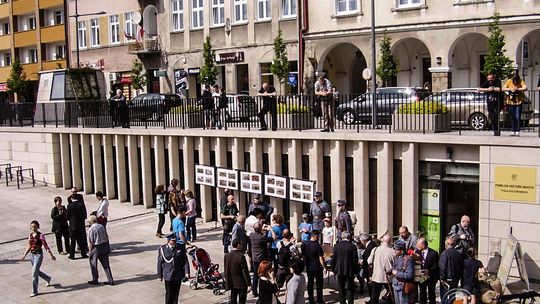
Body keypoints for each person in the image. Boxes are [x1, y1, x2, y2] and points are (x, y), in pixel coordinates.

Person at [22, 220, 55, 297]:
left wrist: (51, 255)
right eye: (32, 227)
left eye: (35, 227)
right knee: (36, 271)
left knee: (34, 273)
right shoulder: (30, 236)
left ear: (38, 227)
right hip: (32, 255)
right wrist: (24, 255)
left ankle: (35, 291)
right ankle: (47, 278)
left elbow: (45, 245)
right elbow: (29, 246)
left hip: (38, 255)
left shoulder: (41, 235)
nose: (33, 228)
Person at [157, 233, 186, 304]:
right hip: (168, 275)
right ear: (169, 241)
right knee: (169, 293)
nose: (175, 242)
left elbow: (184, 260)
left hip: (177, 274)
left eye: (175, 240)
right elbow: (160, 263)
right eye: (173, 241)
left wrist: (187, 272)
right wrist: (160, 275)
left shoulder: (180, 247)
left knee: (176, 293)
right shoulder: (163, 249)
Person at [331, 231, 358, 304]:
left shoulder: (337, 246)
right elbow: (355, 260)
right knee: (350, 288)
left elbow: (334, 258)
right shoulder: (352, 246)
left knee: (341, 288)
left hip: (339, 269)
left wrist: (333, 269)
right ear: (349, 237)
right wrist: (355, 270)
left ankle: (342, 302)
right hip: (350, 270)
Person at [87, 215, 114, 285]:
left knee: (93, 263)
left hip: (96, 247)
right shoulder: (101, 226)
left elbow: (90, 242)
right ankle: (110, 279)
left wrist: (90, 251)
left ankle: (95, 279)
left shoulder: (91, 229)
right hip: (104, 246)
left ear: (90, 222)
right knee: (106, 264)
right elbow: (106, 237)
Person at [368, 233, 395, 304]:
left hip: (377, 276)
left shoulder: (375, 249)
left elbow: (369, 261)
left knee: (374, 297)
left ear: (382, 241)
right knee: (392, 295)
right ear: (390, 241)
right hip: (389, 277)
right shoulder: (393, 251)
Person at [250, 222, 275, 297]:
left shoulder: (252, 235)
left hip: (255, 258)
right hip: (262, 259)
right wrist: (271, 229)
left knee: (255, 275)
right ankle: (265, 289)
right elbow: (274, 238)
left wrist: (262, 230)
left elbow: (258, 232)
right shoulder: (262, 237)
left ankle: (254, 290)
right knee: (265, 274)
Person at [301, 230, 325, 304]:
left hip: (309, 267)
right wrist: (324, 267)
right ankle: (319, 300)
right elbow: (320, 258)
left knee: (310, 284)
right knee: (319, 285)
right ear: (315, 236)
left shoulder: (305, 244)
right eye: (318, 236)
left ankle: (311, 300)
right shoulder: (318, 246)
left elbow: (303, 256)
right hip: (318, 268)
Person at [224, 239, 251, 304]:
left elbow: (226, 269)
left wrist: (227, 281)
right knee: (242, 300)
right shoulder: (241, 256)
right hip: (241, 283)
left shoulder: (227, 256)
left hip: (232, 282)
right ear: (238, 245)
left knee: (233, 299)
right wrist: (249, 283)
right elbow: (245, 271)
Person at [502, 70, 527, 136]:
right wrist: (510, 89)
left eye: (516, 81)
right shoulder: (509, 81)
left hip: (518, 102)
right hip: (510, 102)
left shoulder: (521, 81)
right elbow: (503, 88)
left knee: (517, 117)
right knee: (512, 117)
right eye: (514, 81)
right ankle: (513, 130)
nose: (515, 82)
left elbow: (525, 87)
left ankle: (517, 131)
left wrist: (518, 89)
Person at [415, 238, 439, 304]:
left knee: (431, 292)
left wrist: (428, 271)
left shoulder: (433, 253)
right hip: (421, 276)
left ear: (423, 245)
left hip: (431, 276)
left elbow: (436, 266)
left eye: (418, 245)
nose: (417, 246)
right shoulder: (417, 252)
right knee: (422, 292)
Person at [67, 188, 88, 259]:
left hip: (73, 226)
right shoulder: (81, 205)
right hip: (80, 225)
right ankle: (83, 254)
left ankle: (72, 255)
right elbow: (84, 215)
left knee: (73, 242)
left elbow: (67, 216)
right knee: (81, 241)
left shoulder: (69, 206)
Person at [172, 205, 190, 282]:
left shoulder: (174, 220)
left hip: (175, 242)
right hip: (180, 243)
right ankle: (187, 274)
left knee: (177, 259)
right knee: (185, 259)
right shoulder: (180, 222)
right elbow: (181, 234)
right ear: (182, 212)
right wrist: (186, 242)